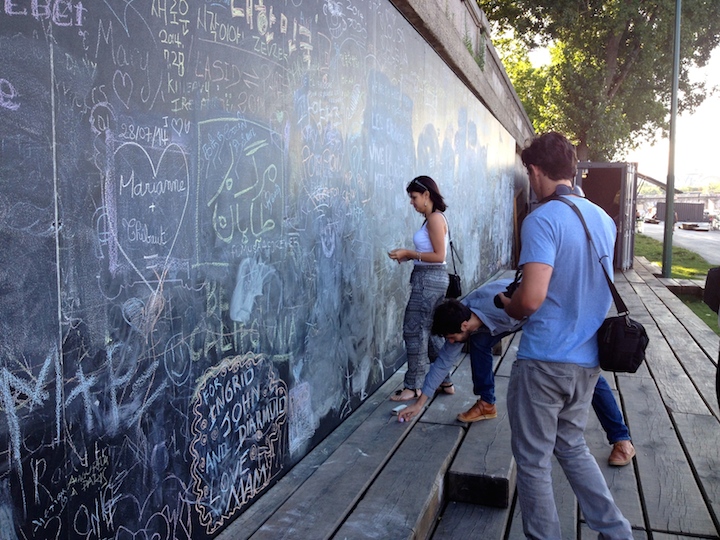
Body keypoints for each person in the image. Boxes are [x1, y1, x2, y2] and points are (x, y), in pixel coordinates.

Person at [499, 132, 632, 538]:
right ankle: (617, 531)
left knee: (534, 460)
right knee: (571, 446)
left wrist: (509, 305)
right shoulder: (602, 219)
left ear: (535, 171)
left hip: (543, 361)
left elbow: (532, 298)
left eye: (528, 173)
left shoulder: (542, 219)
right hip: (587, 362)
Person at [398, 278, 636, 466]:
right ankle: (486, 403)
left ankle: (621, 439)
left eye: (451, 338)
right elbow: (441, 365)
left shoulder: (499, 305)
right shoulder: (464, 316)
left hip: (550, 311)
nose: (451, 343)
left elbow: (542, 304)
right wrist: (419, 404)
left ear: (463, 326)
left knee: (586, 371)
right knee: (480, 342)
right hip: (513, 318)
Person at [388, 176, 453, 401]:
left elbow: (439, 256)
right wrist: (410, 258)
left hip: (429, 280)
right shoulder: (431, 219)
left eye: (414, 197)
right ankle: (444, 381)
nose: (412, 202)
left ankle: (413, 386)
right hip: (428, 278)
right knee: (432, 331)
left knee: (414, 329)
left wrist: (409, 253)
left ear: (427, 195)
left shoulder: (434, 218)